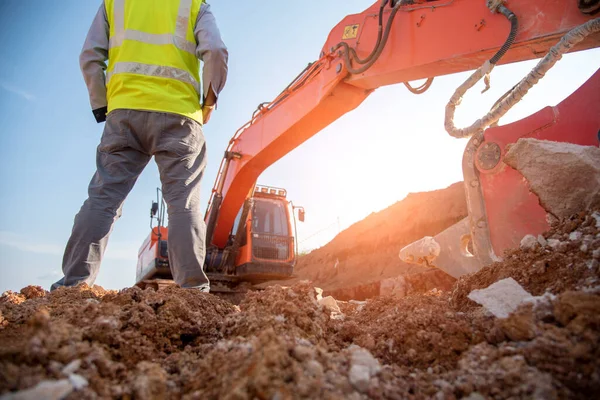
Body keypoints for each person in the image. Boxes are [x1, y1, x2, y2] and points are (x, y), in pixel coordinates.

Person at [51, 0, 228, 292]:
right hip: (179, 114)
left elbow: (90, 57)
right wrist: (209, 101)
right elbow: (216, 51)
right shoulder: (193, 3)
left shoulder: (115, 3)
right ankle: (193, 290)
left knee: (103, 199)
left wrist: (103, 105)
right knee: (183, 204)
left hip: (124, 112)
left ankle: (73, 286)